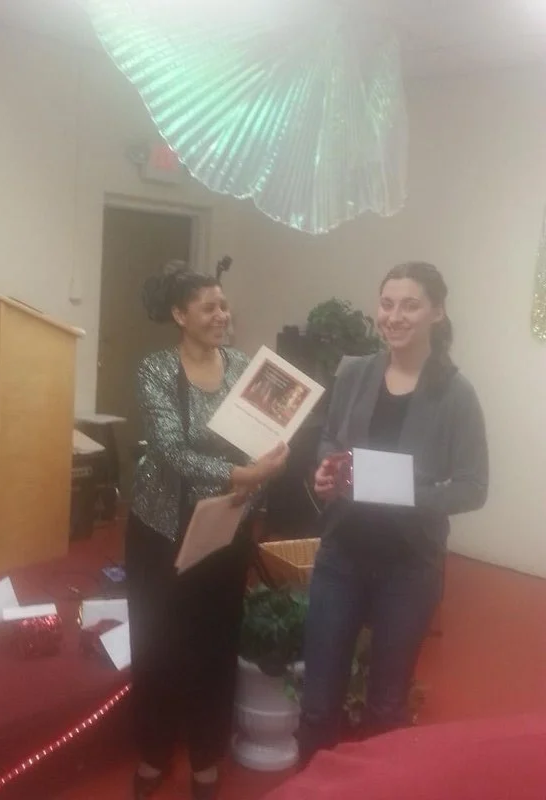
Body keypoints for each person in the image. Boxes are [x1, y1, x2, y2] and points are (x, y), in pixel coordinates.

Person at [299, 262, 489, 765]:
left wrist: (405, 491)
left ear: (437, 312)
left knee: (385, 708)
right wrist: (324, 470)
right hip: (341, 557)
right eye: (387, 303)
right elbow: (330, 439)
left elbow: (474, 488)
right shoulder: (354, 371)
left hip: (408, 569)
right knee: (317, 705)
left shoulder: (456, 394)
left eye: (410, 304)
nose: (395, 316)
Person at [126, 265, 288, 800]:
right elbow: (172, 452)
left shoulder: (244, 367)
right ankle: (153, 751)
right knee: (159, 642)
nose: (222, 316)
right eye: (209, 308)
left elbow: (260, 441)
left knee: (214, 642)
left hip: (226, 526)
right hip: (162, 530)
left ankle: (205, 756)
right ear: (180, 316)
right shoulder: (155, 369)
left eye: (224, 306)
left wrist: (260, 474)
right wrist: (244, 475)